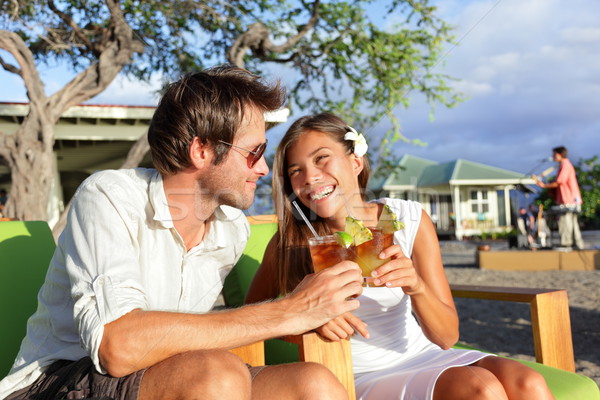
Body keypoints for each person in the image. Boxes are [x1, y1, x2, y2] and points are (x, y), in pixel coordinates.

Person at [0, 66, 364, 400]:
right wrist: (291, 311)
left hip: (163, 375)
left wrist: (312, 312)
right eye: (254, 152)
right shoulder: (110, 197)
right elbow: (117, 347)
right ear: (202, 150)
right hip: (55, 382)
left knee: (313, 386)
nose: (265, 169)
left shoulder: (230, 230)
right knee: (216, 375)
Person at [246, 112, 554, 400]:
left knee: (529, 383)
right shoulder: (293, 241)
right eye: (296, 171)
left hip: (425, 352)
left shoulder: (409, 219)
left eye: (322, 160)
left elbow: (447, 336)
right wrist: (303, 320)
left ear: (355, 161)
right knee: (481, 389)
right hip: (357, 372)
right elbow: (249, 315)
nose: (310, 178)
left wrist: (416, 285)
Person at [534, 146, 584, 249]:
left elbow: (559, 182)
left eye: (554, 154)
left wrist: (544, 185)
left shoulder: (565, 165)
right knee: (572, 223)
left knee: (565, 222)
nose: (553, 157)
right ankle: (577, 244)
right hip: (571, 199)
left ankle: (566, 244)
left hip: (568, 199)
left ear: (560, 154)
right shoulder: (565, 165)